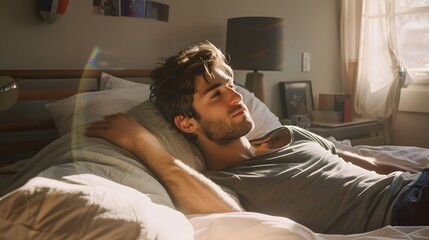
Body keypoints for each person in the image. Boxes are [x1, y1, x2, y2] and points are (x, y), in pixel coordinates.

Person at [85, 41, 428, 234]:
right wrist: (145, 145)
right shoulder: (219, 183)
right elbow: (231, 214)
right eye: (215, 94)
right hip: (405, 212)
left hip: (415, 184)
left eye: (230, 86)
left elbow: (372, 163)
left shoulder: (289, 134)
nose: (236, 98)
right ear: (187, 123)